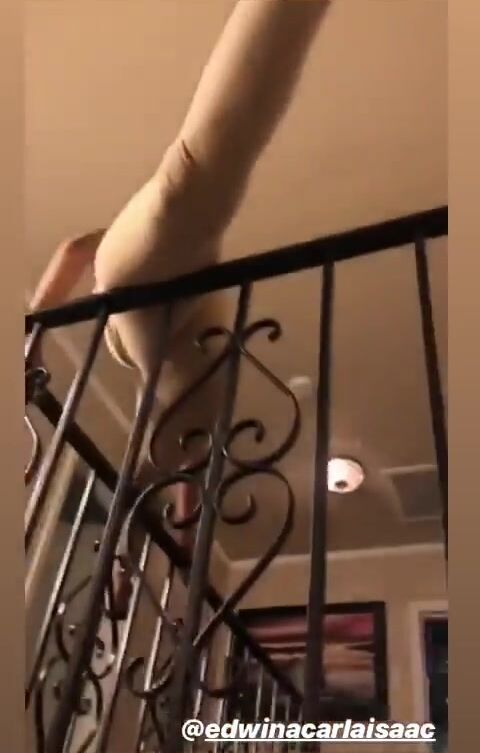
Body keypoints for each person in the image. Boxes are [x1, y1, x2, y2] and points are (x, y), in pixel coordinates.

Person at [30, 0, 332, 616]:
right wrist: (29, 332)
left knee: (191, 174)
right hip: (152, 305)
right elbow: (79, 249)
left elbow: (78, 249)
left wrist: (30, 334)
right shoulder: (190, 430)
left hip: (141, 307)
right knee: (191, 179)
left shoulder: (170, 430)